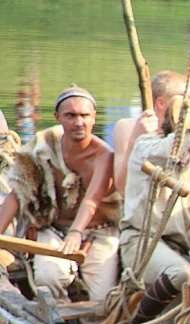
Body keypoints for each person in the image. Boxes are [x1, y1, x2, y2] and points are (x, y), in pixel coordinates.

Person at [0, 86, 121, 304]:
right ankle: (59, 317)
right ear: (58, 118)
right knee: (48, 277)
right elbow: (18, 192)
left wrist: (76, 233)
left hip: (99, 232)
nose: (79, 122)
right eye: (71, 115)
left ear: (94, 118)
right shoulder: (43, 144)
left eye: (85, 115)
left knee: (102, 299)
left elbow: (92, 198)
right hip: (53, 229)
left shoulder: (104, 154)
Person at [120, 102, 190, 324]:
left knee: (177, 316)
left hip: (181, 250)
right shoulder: (146, 146)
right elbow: (169, 150)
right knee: (181, 274)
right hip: (141, 244)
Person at [112, 71, 190, 196]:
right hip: (143, 207)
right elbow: (123, 188)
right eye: (183, 98)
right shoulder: (127, 127)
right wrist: (134, 140)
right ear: (161, 103)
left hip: (180, 206)